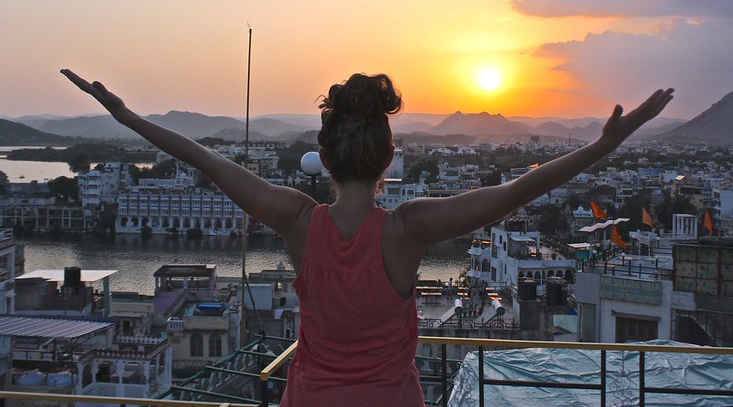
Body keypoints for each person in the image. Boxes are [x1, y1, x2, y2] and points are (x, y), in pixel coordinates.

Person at [61, 69, 672, 406]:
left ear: (325, 161)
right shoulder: (407, 231)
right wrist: (605, 144)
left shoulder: (299, 222)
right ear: (388, 161)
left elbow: (208, 161)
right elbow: (517, 191)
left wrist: (125, 117)